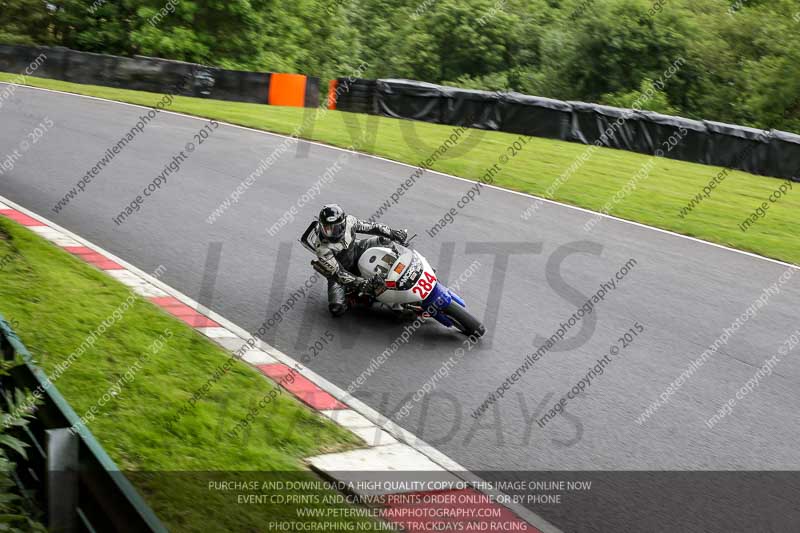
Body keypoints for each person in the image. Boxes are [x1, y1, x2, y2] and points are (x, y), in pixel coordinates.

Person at [311, 204, 408, 316]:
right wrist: (360, 283)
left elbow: (372, 227)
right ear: (321, 226)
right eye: (328, 229)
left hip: (357, 249)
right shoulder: (321, 248)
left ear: (343, 224)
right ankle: (354, 296)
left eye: (336, 228)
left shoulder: (350, 221)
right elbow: (338, 273)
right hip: (340, 272)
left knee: (385, 240)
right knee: (336, 309)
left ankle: (404, 259)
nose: (333, 232)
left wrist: (392, 233)